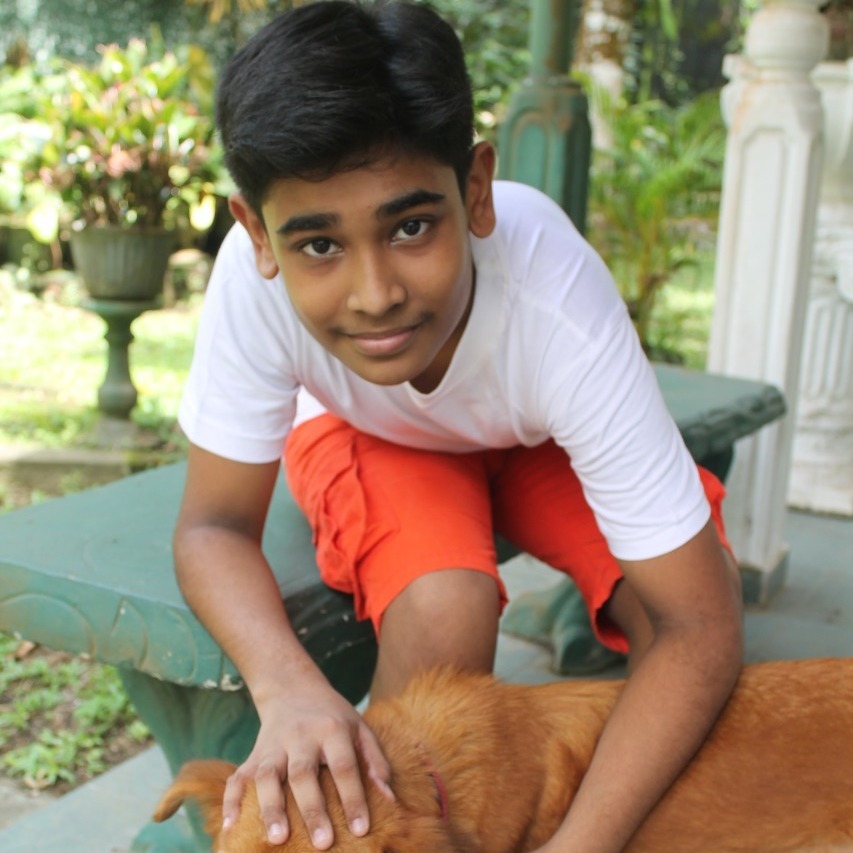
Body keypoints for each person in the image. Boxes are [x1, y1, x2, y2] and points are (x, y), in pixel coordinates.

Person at [173, 1, 744, 850]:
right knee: (443, 605)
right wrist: (287, 684)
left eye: (410, 226)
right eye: (320, 245)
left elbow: (702, 626)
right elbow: (213, 527)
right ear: (257, 231)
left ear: (475, 190)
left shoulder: (554, 299)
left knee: (686, 601)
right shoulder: (251, 287)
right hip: (365, 429)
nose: (375, 294)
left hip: (531, 439)